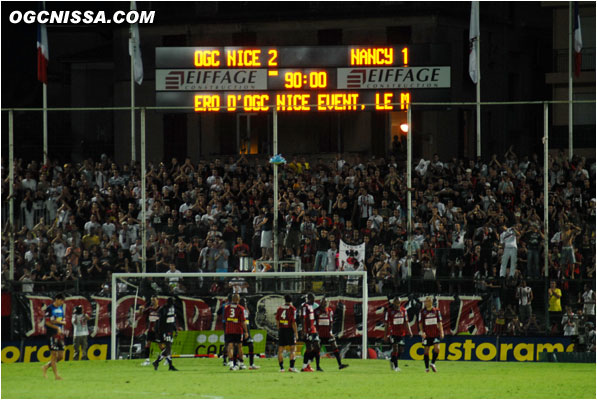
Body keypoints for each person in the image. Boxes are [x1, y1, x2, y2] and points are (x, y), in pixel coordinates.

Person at [313, 297, 349, 371]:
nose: (325, 303)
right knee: (317, 349)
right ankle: (317, 366)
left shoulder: (329, 311)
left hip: (328, 333)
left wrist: (331, 332)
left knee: (334, 347)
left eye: (326, 302)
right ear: (321, 303)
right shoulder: (316, 311)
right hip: (320, 333)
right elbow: (313, 322)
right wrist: (315, 332)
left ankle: (340, 364)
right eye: (324, 302)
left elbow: (331, 322)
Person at [384, 297, 413, 372]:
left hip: (401, 333)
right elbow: (386, 324)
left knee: (401, 350)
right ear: (393, 303)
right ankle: (396, 367)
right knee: (395, 348)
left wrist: (410, 332)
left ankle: (392, 360)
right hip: (392, 333)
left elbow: (406, 322)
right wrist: (385, 335)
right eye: (396, 302)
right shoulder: (389, 311)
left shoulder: (403, 311)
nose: (397, 304)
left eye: (399, 303)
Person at [41, 293, 66, 380]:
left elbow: (62, 320)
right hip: (51, 333)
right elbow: (47, 322)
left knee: (61, 356)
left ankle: (46, 366)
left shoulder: (61, 309)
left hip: (60, 334)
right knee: (54, 354)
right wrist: (57, 326)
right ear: (57, 299)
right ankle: (56, 376)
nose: (62, 302)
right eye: (61, 301)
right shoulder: (49, 308)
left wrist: (60, 324)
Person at [152, 297, 179, 371]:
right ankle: (170, 365)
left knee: (168, 348)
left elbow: (172, 319)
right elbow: (159, 322)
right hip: (165, 331)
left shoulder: (172, 308)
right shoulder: (163, 309)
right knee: (168, 347)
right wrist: (158, 331)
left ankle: (157, 362)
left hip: (170, 330)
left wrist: (175, 329)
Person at [418, 296, 444, 373]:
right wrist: (422, 332)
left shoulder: (436, 311)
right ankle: (426, 368)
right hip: (427, 334)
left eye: (428, 301)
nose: (426, 303)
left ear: (431, 302)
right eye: (425, 302)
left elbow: (440, 322)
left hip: (435, 333)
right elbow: (420, 323)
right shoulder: (422, 312)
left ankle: (432, 363)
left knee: (437, 348)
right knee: (426, 350)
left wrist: (442, 331)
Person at [224, 293, 249, 371]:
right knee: (239, 346)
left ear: (231, 299)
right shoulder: (241, 308)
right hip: (238, 330)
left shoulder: (226, 308)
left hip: (229, 329)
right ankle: (241, 363)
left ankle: (231, 363)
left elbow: (225, 319)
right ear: (238, 300)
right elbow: (243, 321)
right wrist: (246, 332)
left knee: (230, 345)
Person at [275, 294, 299, 372]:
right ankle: (291, 367)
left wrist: (279, 329)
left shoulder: (279, 308)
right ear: (291, 300)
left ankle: (281, 368)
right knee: (293, 349)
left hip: (282, 330)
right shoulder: (293, 309)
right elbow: (293, 322)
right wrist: (296, 333)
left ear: (284, 300)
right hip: (289, 330)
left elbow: (277, 320)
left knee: (280, 350)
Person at [138, 295, 163, 366]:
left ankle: (168, 358)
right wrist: (140, 309)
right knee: (147, 344)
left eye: (154, 300)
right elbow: (141, 314)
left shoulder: (160, 309)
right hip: (150, 330)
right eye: (152, 300)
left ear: (158, 300)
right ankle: (147, 360)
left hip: (158, 330)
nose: (153, 302)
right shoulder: (149, 309)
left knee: (160, 345)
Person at [237, 297, 259, 369]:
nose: (245, 304)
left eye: (246, 302)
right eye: (244, 302)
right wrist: (245, 332)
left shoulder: (245, 310)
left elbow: (247, 316)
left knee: (251, 346)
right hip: (241, 331)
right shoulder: (239, 310)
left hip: (247, 332)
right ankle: (239, 363)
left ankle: (251, 364)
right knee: (238, 347)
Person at [300, 293, 320, 372]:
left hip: (313, 329)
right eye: (312, 299)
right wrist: (304, 330)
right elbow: (303, 318)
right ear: (309, 298)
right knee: (309, 348)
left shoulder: (311, 306)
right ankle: (305, 366)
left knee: (317, 346)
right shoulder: (304, 306)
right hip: (308, 330)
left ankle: (307, 364)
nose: (314, 301)